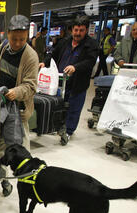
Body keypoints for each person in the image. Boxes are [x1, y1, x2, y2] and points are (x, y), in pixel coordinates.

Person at [0, 15, 39, 196]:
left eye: (22, 39)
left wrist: (16, 92)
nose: (18, 43)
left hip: (18, 112)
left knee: (20, 148)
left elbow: (31, 85)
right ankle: (1, 177)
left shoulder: (31, 56)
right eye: (14, 39)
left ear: (27, 35)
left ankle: (27, 182)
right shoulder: (3, 47)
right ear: (8, 35)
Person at [40, 15, 99, 144]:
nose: (77, 33)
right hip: (61, 82)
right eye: (76, 30)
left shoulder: (91, 45)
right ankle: (57, 126)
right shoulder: (65, 42)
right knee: (59, 105)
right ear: (72, 30)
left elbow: (90, 61)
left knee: (73, 108)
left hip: (77, 84)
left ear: (86, 30)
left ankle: (68, 131)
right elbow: (53, 54)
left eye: (81, 30)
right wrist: (45, 62)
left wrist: (75, 67)